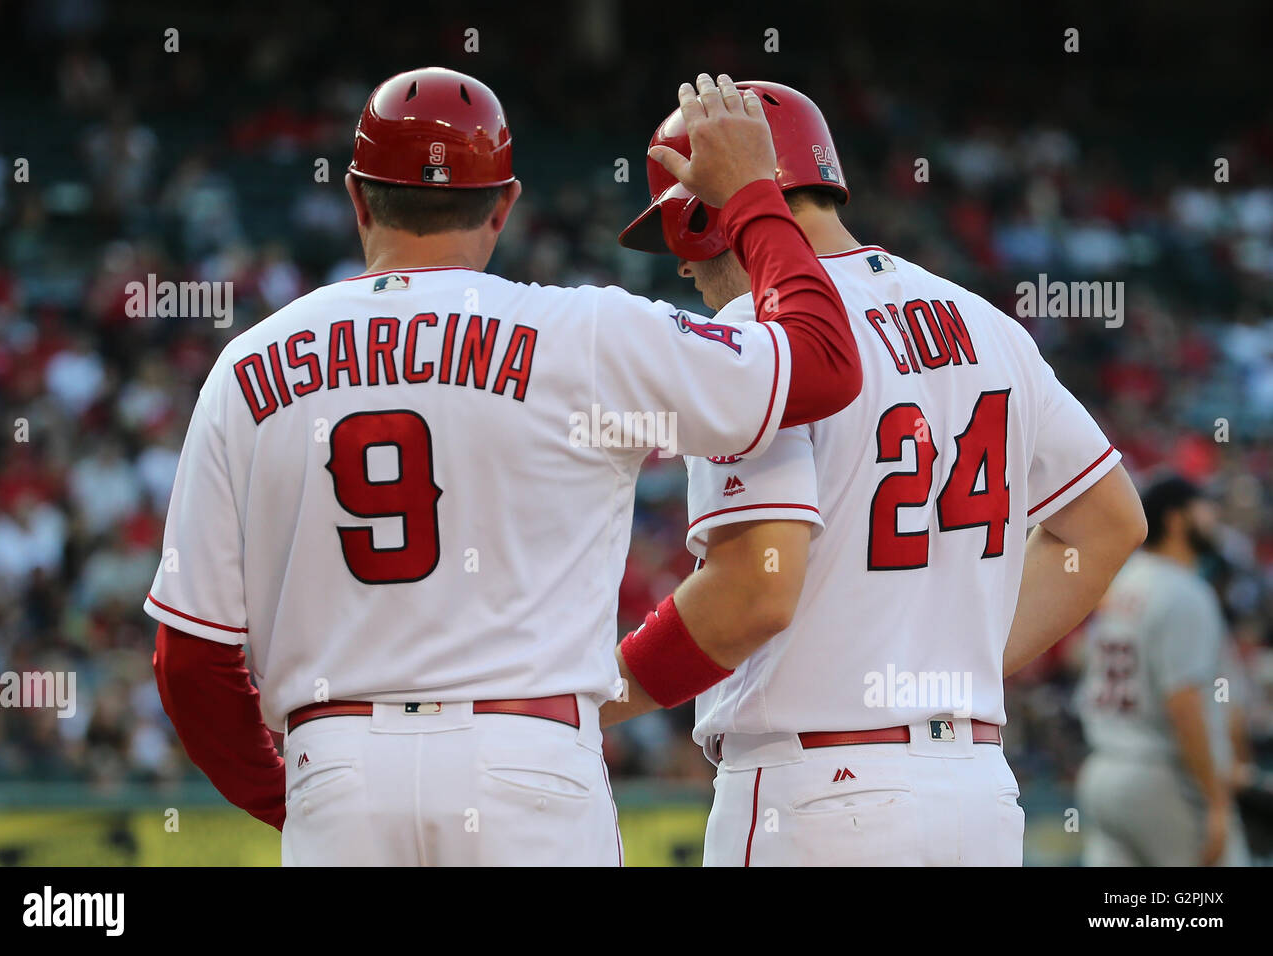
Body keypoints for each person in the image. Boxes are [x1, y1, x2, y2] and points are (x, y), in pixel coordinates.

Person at [145, 68, 865, 866]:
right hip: (529, 764)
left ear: (357, 198)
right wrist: (753, 196)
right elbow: (827, 362)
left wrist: (301, 800)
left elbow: (191, 662)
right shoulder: (586, 331)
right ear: (505, 205)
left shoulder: (248, 366)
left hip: (338, 763)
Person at [602, 80, 1146, 866]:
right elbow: (1109, 524)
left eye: (678, 237)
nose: (684, 271)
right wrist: (950, 665)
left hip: (819, 793)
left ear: (707, 209)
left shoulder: (757, 337)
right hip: (975, 792)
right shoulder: (984, 320)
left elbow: (751, 593)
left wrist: (591, 698)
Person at [1075, 474, 1250, 866]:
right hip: (1162, 777)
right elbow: (1183, 702)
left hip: (1104, 768)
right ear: (1175, 520)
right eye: (1203, 508)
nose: (1213, 517)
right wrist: (1216, 800)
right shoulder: (1184, 592)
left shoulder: (1119, 586)